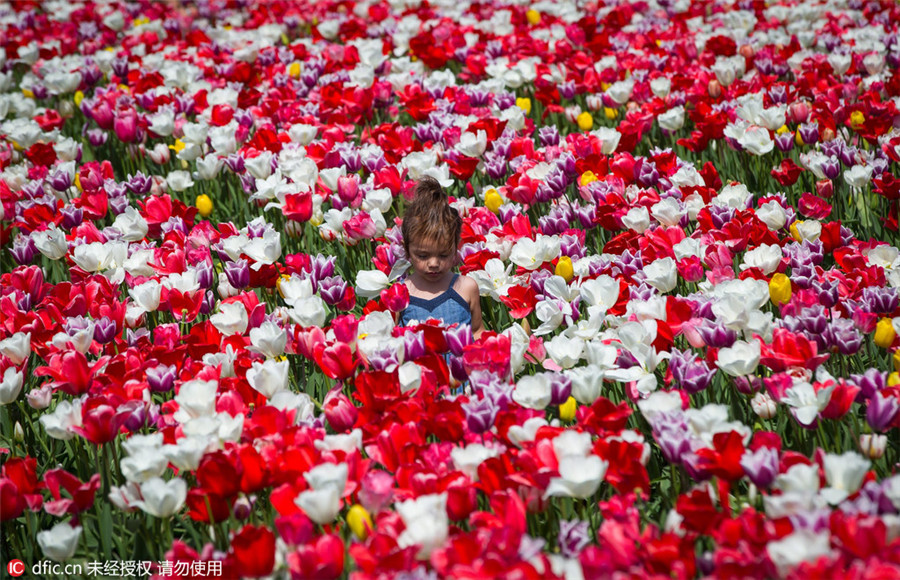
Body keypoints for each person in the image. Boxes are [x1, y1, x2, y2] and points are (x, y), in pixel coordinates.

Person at [398, 176, 484, 339]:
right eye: (423, 255)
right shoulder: (401, 293)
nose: (434, 263)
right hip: (417, 365)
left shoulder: (466, 287)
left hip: (460, 365)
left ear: (455, 248)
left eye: (444, 254)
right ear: (407, 250)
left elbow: (477, 331)